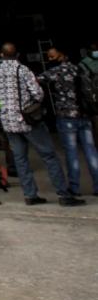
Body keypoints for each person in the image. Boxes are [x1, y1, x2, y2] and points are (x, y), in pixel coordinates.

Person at [0, 43, 78, 205]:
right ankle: (64, 194)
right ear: (18, 54)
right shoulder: (23, 70)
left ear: (2, 55)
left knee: (20, 159)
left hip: (8, 121)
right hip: (27, 120)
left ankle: (30, 195)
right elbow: (38, 93)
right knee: (49, 155)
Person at [39, 48, 98, 198]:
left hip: (66, 116)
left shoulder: (56, 71)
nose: (50, 59)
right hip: (84, 115)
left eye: (51, 56)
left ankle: (75, 188)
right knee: (91, 152)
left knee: (72, 153)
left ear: (60, 55)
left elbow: (35, 81)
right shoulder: (80, 69)